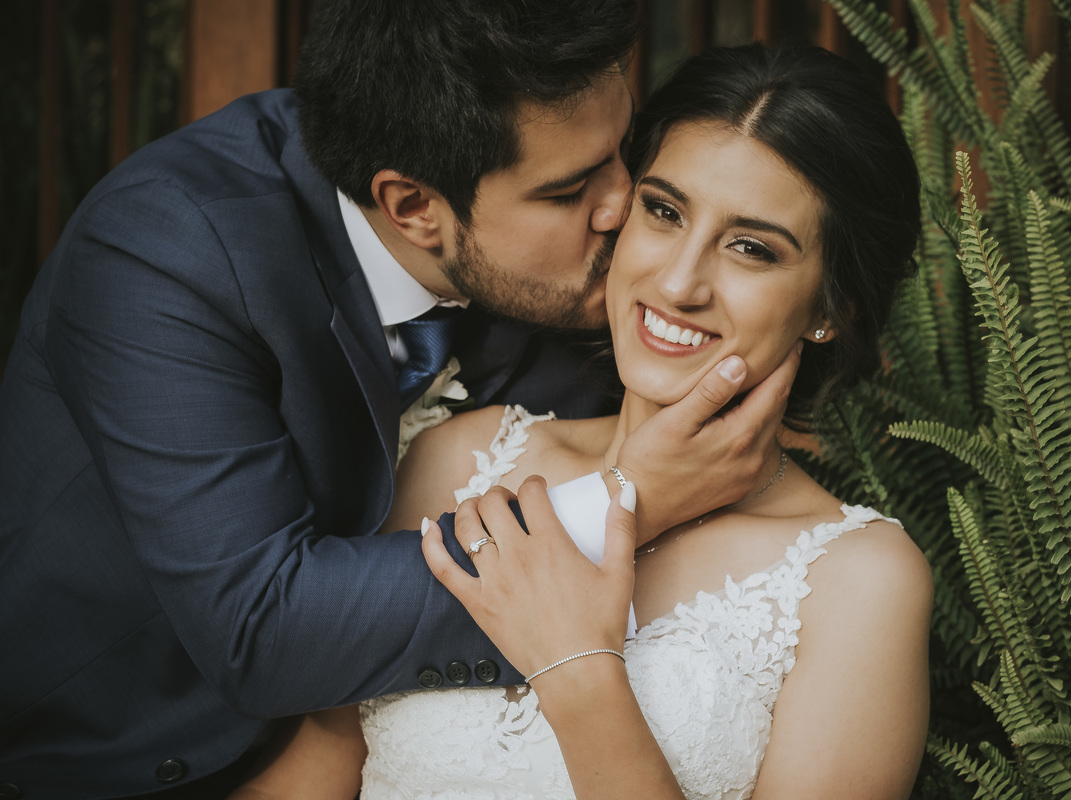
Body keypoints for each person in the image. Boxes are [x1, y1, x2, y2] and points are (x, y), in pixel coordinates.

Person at [0, 3, 795, 798]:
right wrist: (632, 499)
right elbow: (263, 629)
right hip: (108, 761)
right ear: (414, 209)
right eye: (568, 190)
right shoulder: (169, 250)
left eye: (620, 152)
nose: (623, 205)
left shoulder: (564, 267)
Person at [232, 44, 932, 800]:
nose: (678, 281)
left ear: (833, 307)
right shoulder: (456, 459)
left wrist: (577, 665)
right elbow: (315, 773)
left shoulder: (860, 581)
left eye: (751, 249)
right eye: (663, 211)